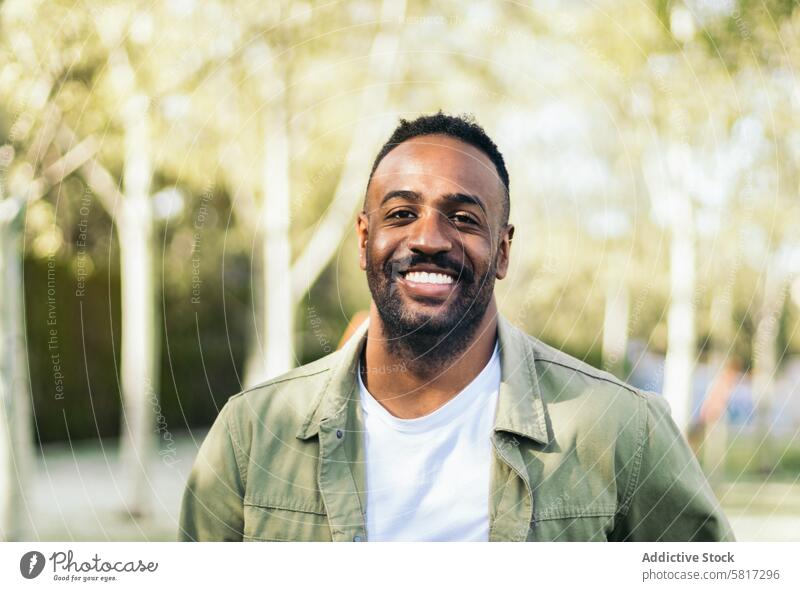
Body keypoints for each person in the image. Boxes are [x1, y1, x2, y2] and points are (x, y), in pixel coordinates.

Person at [179, 112, 734, 542]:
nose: (429, 239)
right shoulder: (252, 433)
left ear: (503, 251)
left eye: (464, 218)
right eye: (401, 213)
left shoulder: (621, 431)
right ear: (363, 239)